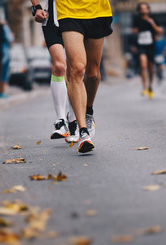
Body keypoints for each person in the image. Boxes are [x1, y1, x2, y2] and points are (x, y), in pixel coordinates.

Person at [55, 0, 113, 153]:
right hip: (68, 11)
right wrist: (37, 6)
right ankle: (83, 132)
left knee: (93, 74)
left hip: (97, 11)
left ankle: (88, 112)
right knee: (78, 69)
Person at [31, 0, 78, 143]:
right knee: (59, 66)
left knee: (74, 69)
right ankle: (61, 120)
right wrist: (37, 7)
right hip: (52, 17)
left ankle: (73, 120)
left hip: (76, 15)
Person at [132, 2, 163, 99]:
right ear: (139, 10)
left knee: (151, 68)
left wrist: (152, 23)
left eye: (145, 8)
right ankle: (144, 86)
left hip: (151, 46)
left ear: (148, 10)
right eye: (141, 8)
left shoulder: (153, 19)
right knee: (143, 64)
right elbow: (134, 31)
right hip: (141, 45)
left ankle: (150, 86)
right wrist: (136, 31)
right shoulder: (136, 19)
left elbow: (160, 32)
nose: (143, 10)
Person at [0, 20, 14, 99]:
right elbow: (10, 39)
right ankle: (2, 92)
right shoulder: (5, 28)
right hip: (5, 53)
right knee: (3, 73)